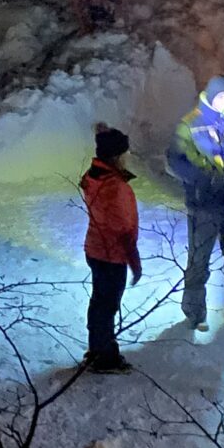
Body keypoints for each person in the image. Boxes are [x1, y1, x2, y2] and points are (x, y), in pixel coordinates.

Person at [166, 76, 224, 331]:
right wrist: (203, 179)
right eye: (222, 97)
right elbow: (174, 161)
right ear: (210, 96)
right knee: (200, 259)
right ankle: (195, 313)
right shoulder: (190, 124)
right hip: (204, 203)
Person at [80, 123, 142, 374]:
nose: (128, 157)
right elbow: (124, 230)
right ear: (117, 157)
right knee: (107, 306)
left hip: (95, 249)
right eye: (125, 153)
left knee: (99, 302)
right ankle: (104, 356)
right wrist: (134, 263)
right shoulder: (116, 188)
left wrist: (103, 135)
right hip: (111, 255)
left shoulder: (93, 177)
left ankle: (97, 348)